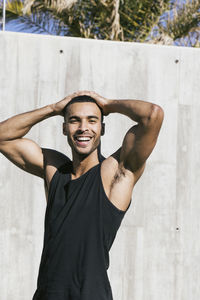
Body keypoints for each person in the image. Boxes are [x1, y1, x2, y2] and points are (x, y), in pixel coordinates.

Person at [0, 90, 164, 300]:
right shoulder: (55, 170)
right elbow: (3, 136)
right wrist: (53, 109)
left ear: (102, 128)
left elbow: (153, 115)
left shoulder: (115, 174)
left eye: (92, 120)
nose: (83, 128)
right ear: (64, 128)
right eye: (74, 121)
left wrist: (109, 104)